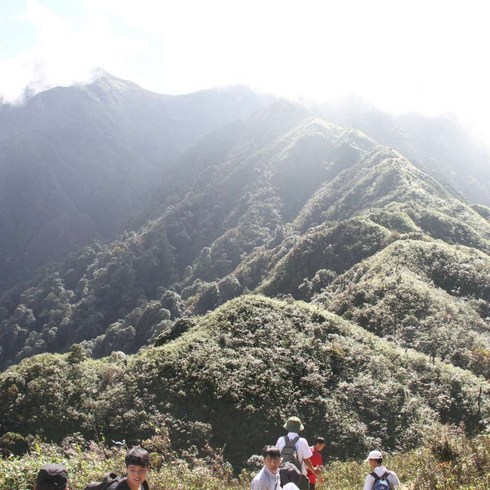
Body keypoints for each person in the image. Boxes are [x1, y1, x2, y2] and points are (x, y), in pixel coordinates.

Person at [276, 416, 321, 490]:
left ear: (287, 427)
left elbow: (276, 458)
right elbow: (307, 461)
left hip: (282, 476)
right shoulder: (302, 441)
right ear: (299, 429)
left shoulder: (280, 440)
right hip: (299, 477)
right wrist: (314, 470)